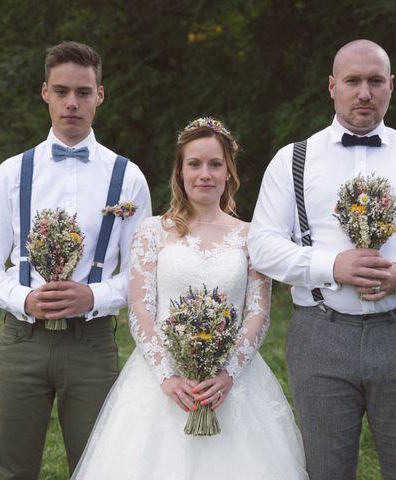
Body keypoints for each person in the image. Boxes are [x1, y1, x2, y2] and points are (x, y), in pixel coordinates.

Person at [248, 39, 396, 480]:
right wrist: (330, 267)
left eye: (375, 81)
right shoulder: (293, 160)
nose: (364, 92)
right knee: (326, 470)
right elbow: (263, 246)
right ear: (332, 87)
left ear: (392, 87)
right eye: (353, 81)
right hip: (320, 337)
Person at [72, 117, 308, 479]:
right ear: (180, 171)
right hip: (160, 382)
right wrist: (167, 375)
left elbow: (258, 313)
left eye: (215, 164)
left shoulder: (252, 237)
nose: (205, 174)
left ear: (229, 172)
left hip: (232, 382)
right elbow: (140, 308)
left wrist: (228, 373)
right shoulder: (152, 231)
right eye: (194, 164)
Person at [0, 41, 152, 479]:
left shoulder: (127, 176)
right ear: (45, 92)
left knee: (98, 467)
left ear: (99, 95)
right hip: (22, 341)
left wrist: (95, 295)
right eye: (63, 91)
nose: (72, 103)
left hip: (92, 343)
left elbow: (145, 273)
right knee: (12, 466)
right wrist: (22, 298)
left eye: (83, 93)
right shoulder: (13, 173)